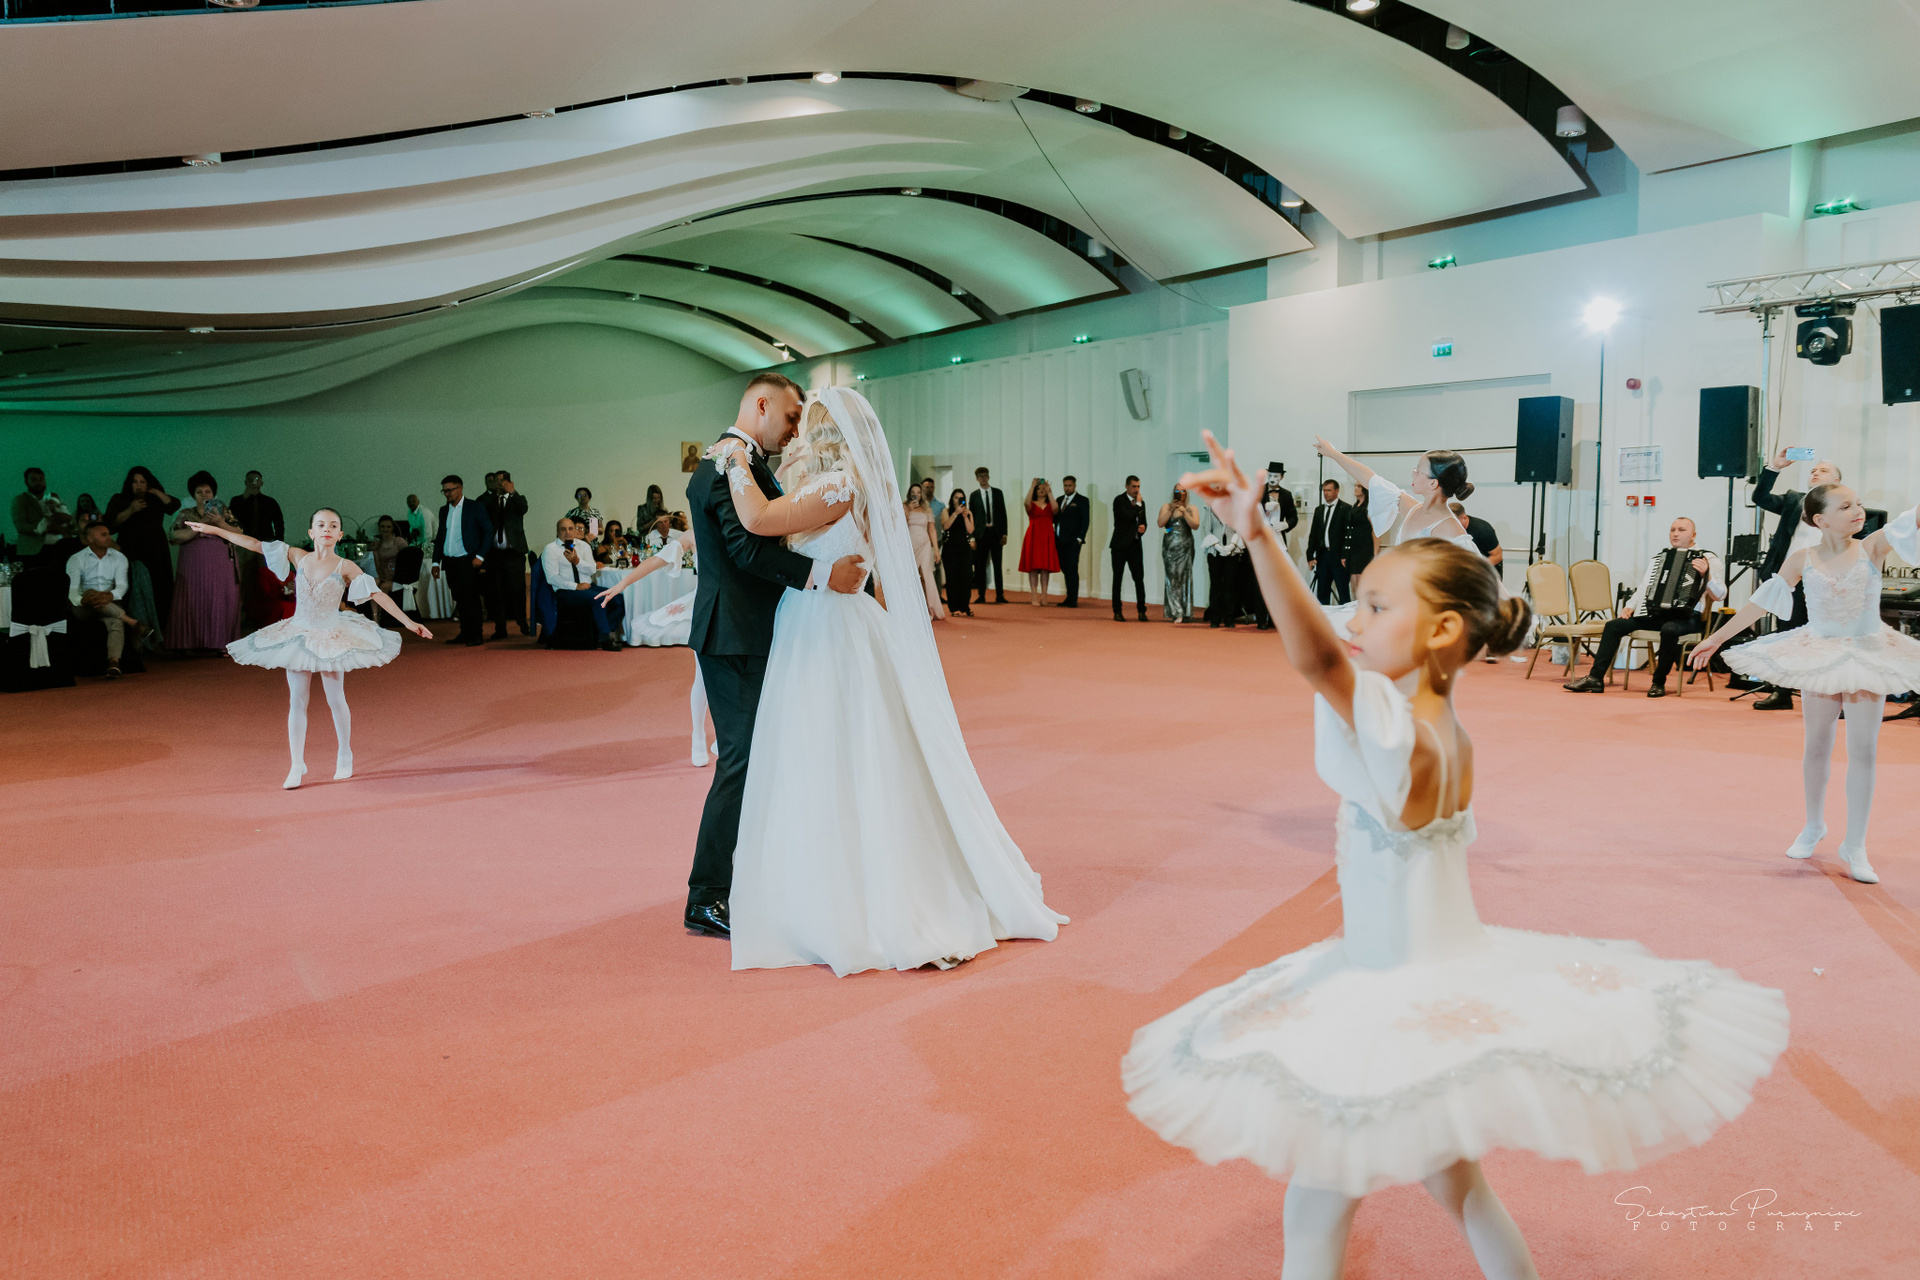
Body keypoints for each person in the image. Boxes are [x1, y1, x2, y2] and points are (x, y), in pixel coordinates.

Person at [1125, 429, 1788, 1280]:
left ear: (1441, 629)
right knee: (1457, 1186)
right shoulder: (1442, 723)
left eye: (1375, 608)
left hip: (1389, 1003)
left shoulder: (1402, 731)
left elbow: (1316, 657)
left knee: (1318, 1209)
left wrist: (1259, 535)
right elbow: (1343, 654)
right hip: (1438, 986)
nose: (1354, 620)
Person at [713, 388, 1067, 974]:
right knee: (843, 750)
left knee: (831, 750)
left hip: (826, 629)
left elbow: (758, 518)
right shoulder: (849, 486)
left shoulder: (836, 486)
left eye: (809, 428)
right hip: (833, 620)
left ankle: (852, 897)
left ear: (828, 437)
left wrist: (732, 459)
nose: (799, 437)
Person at [682, 373, 868, 940]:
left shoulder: (741, 460)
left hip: (753, 631)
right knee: (741, 761)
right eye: (789, 418)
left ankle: (753, 877)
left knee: (762, 756)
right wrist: (822, 576)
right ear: (761, 405)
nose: (794, 431)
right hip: (734, 634)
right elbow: (745, 549)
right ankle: (706, 895)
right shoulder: (725, 464)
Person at [1692, 484, 1920, 884]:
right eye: (1845, 506)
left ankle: (1856, 844)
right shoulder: (1802, 558)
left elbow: (1913, 519)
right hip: (1819, 655)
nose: (1858, 510)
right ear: (1820, 519)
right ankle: (1814, 825)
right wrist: (1717, 637)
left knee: (1864, 750)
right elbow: (1761, 602)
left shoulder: (1872, 547)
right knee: (1817, 745)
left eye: (1858, 503)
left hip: (1868, 655)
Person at [189, 508, 431, 789]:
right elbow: (254, 544)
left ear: (340, 534)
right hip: (299, 636)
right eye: (321, 524)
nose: (327, 529)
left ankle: (345, 753)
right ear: (311, 532)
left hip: (330, 637)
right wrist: (216, 530)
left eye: (333, 525)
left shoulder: (345, 566)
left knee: (335, 698)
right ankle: (297, 764)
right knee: (297, 701)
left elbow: (377, 594)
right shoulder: (298, 556)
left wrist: (409, 622)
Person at [1563, 517, 1725, 697]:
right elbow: (1644, 587)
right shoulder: (1660, 558)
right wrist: (1630, 606)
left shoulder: (1708, 558)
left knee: (1669, 629)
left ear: (1693, 535)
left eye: (1681, 530)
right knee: (1613, 626)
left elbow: (1720, 595)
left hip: (1688, 618)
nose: (1675, 534)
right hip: (1657, 614)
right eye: (1672, 530)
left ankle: (1658, 682)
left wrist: (1707, 575)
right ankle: (1595, 679)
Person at [598, 524, 713, 762]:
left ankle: (726, 735)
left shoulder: (744, 524)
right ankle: (698, 736)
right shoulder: (695, 534)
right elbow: (659, 559)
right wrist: (623, 583)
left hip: (738, 607)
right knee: (704, 676)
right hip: (706, 605)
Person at [1747, 449, 1845, 711]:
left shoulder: (1846, 508)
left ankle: (1833, 697)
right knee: (1787, 636)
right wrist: (1775, 467)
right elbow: (1760, 497)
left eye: (1823, 470)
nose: (1815, 472)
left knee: (1827, 640)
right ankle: (1782, 693)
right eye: (1813, 470)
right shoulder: (1794, 501)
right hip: (1791, 580)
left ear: (1837, 481)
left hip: (1825, 582)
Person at [167, 471, 243, 654]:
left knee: (220, 600)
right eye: (199, 492)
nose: (204, 495)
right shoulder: (186, 514)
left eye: (207, 491)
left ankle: (221, 644)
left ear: (213, 494)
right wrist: (201, 523)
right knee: (191, 600)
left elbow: (239, 533)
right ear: (193, 495)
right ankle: (188, 644)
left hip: (221, 566)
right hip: (193, 568)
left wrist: (220, 522)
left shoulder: (223, 512)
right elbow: (174, 535)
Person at [104, 467, 181, 623]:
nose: (138, 485)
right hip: (130, 550)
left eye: (142, 482)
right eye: (135, 482)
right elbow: (110, 524)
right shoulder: (120, 499)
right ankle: (133, 626)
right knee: (131, 588)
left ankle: (160, 627)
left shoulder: (155, 499)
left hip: (156, 551)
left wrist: (156, 491)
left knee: (158, 587)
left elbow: (173, 506)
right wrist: (130, 510)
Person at [66, 520, 138, 678]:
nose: (109, 537)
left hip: (109, 602)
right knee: (91, 592)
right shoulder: (76, 559)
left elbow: (122, 586)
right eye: (103, 534)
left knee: (115, 620)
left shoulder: (119, 557)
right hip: (83, 605)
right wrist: (84, 600)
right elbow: (72, 590)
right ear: (90, 539)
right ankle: (130, 621)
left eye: (109, 534)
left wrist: (110, 595)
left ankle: (114, 662)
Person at [541, 517, 622, 651]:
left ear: (575, 530)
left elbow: (592, 569)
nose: (568, 532)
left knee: (617, 597)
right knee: (599, 599)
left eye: (570, 529)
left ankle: (606, 630)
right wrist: (575, 586)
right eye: (563, 529)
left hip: (588, 587)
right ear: (557, 532)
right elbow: (552, 578)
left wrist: (577, 561)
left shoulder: (583, 546)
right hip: (566, 591)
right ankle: (606, 640)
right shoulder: (550, 549)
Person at [433, 474, 493, 646]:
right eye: (444, 491)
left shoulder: (474, 507)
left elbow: (488, 531)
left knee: (471, 599)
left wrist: (480, 556)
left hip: (468, 560)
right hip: (450, 561)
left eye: (450, 490)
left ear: (460, 488)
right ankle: (465, 632)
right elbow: (440, 537)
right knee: (459, 598)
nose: (447, 494)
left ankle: (476, 634)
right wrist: (436, 561)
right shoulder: (444, 510)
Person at [1243, 465, 1299, 630]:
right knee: (1260, 580)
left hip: (1278, 541)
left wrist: (1286, 524)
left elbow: (1293, 517)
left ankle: (1275, 619)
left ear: (1282, 477)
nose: (1273, 479)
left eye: (1276, 476)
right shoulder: (1258, 492)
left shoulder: (1287, 495)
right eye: (1271, 475)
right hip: (1261, 541)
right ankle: (1261, 619)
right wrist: (1262, 512)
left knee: (1278, 582)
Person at [483, 469, 530, 640]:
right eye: (495, 481)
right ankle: (500, 627)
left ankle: (522, 622)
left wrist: (512, 492)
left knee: (517, 590)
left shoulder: (517, 499)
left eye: (501, 481)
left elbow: (523, 509)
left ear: (509, 482)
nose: (498, 484)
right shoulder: (487, 501)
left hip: (514, 553)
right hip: (494, 554)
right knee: (496, 592)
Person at [1305, 478, 1356, 606]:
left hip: (1339, 557)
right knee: (1322, 592)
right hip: (1323, 556)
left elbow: (1349, 534)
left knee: (1343, 591)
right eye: (1324, 490)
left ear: (1337, 491)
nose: (1326, 493)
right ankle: (1324, 617)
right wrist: (1310, 556)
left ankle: (1345, 617)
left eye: (1329, 490)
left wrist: (1345, 555)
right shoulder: (1319, 510)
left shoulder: (1346, 508)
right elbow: (1313, 534)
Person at [1110, 474, 1149, 622]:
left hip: (1135, 545)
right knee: (1117, 578)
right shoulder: (1119, 500)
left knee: (1139, 578)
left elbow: (1143, 521)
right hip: (1120, 545)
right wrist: (1138, 505)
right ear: (1127, 486)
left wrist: (1143, 528)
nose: (1136, 489)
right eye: (1133, 486)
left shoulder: (1141, 503)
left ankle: (1141, 610)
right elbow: (1126, 517)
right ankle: (1117, 611)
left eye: (1138, 486)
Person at [904, 486, 947, 619]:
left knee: (926, 575)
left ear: (921, 494)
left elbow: (932, 530)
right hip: (910, 546)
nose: (916, 495)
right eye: (913, 492)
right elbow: (900, 526)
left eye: (918, 492)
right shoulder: (905, 506)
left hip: (925, 544)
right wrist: (909, 510)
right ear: (909, 494)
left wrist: (936, 550)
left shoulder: (927, 509)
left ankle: (929, 609)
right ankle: (912, 609)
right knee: (911, 576)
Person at [967, 468, 1008, 604]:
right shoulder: (974, 495)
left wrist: (1004, 533)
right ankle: (981, 595)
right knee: (980, 566)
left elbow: (1003, 514)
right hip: (981, 535)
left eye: (985, 476)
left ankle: (1000, 595)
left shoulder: (997, 493)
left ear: (988, 477)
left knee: (997, 565)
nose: (983, 478)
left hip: (996, 533)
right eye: (980, 476)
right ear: (977, 478)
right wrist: (972, 537)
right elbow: (971, 517)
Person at [13, 467, 72, 561]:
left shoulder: (52, 498)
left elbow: (68, 518)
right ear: (26, 482)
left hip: (58, 548)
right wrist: (44, 529)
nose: (39, 483)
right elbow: (21, 526)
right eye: (34, 480)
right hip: (33, 551)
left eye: (41, 479)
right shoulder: (20, 500)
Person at [1159, 484, 1199, 622]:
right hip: (1169, 547)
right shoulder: (1166, 507)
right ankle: (1176, 611)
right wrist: (1171, 510)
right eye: (1177, 490)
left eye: (1183, 491)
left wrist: (1185, 512)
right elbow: (1160, 523)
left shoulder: (1191, 508)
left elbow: (1195, 525)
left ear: (1186, 493)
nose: (1180, 493)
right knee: (1172, 578)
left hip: (1186, 547)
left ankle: (1184, 611)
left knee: (1184, 577)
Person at [1018, 478, 1060, 606]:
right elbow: (1026, 503)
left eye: (1043, 489)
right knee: (1033, 568)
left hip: (1047, 536)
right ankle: (1034, 596)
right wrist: (1032, 486)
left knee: (1045, 568)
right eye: (1039, 489)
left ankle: (1044, 597)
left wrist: (1050, 491)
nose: (1041, 490)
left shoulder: (1050, 504)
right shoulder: (1031, 503)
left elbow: (1056, 509)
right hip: (1033, 535)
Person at [1202, 510, 1245, 627]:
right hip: (1214, 552)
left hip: (1232, 551)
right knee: (1215, 585)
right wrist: (1218, 546)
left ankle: (1229, 617)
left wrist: (1231, 545)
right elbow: (1207, 530)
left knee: (1229, 585)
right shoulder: (1210, 510)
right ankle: (1215, 618)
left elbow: (1239, 530)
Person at [1054, 475, 1089, 607]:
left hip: (1073, 541)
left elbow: (1085, 521)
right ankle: (1069, 597)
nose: (1067, 488)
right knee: (1064, 568)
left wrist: (1080, 538)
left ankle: (1073, 599)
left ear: (1074, 486)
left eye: (1070, 486)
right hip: (1059, 540)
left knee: (1072, 568)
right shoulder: (1059, 500)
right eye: (1065, 486)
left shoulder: (1082, 500)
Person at [941, 489, 975, 617]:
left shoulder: (968, 513)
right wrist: (955, 513)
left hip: (964, 548)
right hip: (950, 548)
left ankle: (965, 605)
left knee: (966, 577)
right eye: (956, 497)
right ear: (952, 499)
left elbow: (970, 530)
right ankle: (954, 607)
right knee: (952, 578)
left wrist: (965, 516)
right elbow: (945, 526)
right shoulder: (946, 511)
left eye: (961, 498)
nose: (958, 500)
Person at [369, 515, 408, 625]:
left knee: (383, 587)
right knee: (373, 584)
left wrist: (393, 578)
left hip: (398, 577)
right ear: (379, 528)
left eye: (388, 527)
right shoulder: (377, 545)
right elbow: (377, 565)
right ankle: (375, 617)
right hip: (384, 575)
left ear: (392, 528)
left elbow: (407, 562)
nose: (385, 529)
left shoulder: (399, 542)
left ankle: (381, 616)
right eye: (383, 527)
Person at [227, 471, 284, 544]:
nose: (253, 482)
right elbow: (231, 519)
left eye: (256, 480)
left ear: (261, 483)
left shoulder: (270, 502)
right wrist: (245, 496)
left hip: (265, 541)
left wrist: (278, 542)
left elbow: (279, 523)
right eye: (250, 480)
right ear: (246, 482)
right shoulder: (236, 501)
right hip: (242, 541)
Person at [1449, 500, 1502, 569]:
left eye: (1454, 521)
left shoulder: (1483, 529)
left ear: (1464, 518)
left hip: (1487, 569)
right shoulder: (1449, 528)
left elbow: (1497, 556)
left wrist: (1476, 569)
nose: (1451, 524)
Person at [1344, 483, 1377, 580]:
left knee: (1361, 578)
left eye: (1359, 486)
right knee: (1353, 579)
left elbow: (1376, 531)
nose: (1355, 488)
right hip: (1353, 548)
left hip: (1365, 548)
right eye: (1355, 486)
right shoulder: (1355, 506)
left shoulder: (1369, 507)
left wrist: (1375, 553)